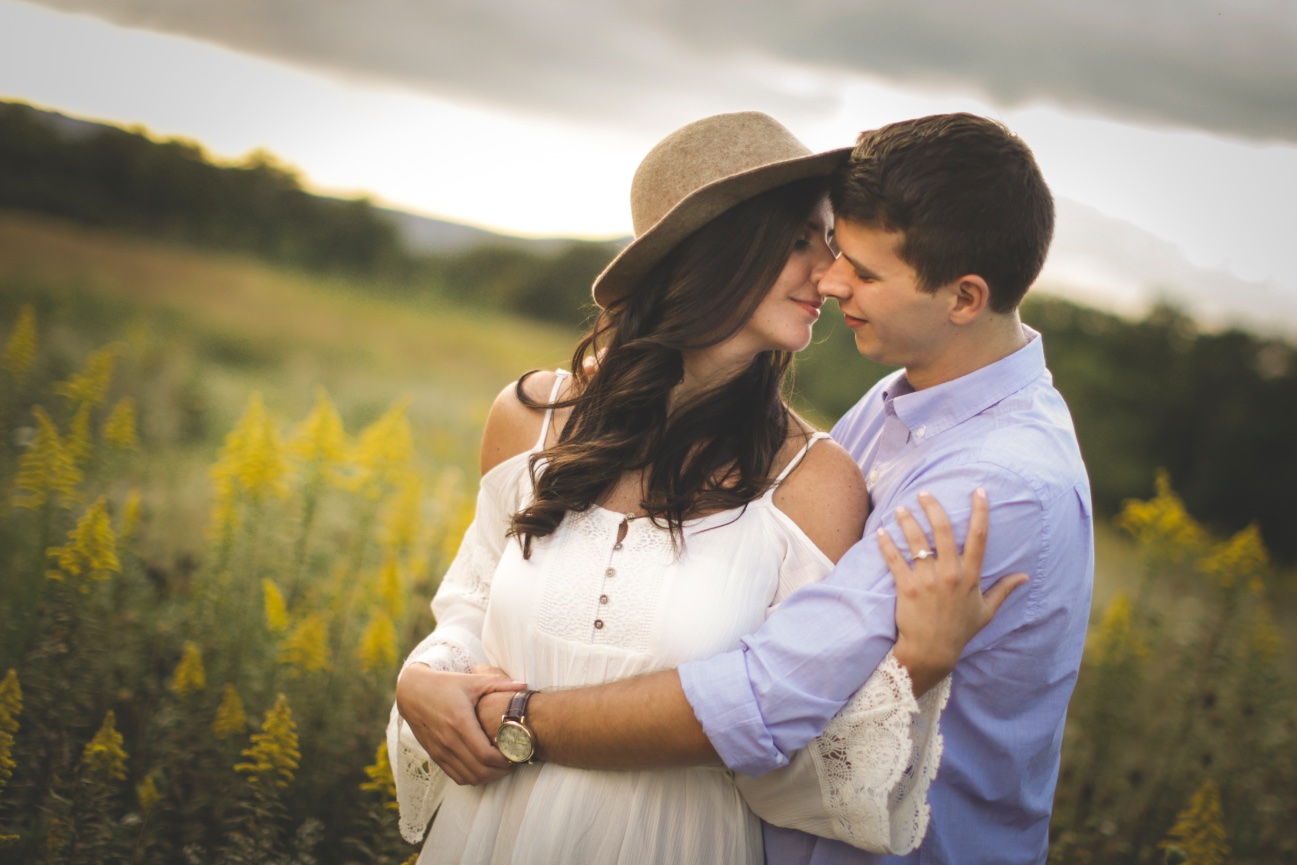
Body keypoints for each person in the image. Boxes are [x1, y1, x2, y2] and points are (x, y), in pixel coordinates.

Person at [451, 113, 1094, 865]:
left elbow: (767, 697)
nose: (830, 277)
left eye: (856, 265)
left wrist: (512, 721)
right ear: (714, 258)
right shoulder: (896, 405)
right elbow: (470, 598)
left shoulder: (990, 484)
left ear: (964, 298)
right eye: (810, 243)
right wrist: (426, 679)